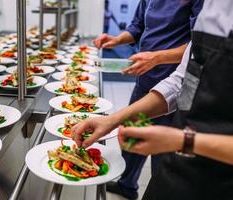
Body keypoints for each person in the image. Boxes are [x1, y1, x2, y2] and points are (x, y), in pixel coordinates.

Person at [72, 0, 233, 199]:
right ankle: (127, 184)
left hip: (219, 174)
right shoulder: (212, 7)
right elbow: (183, 79)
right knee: (138, 146)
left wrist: (181, 141)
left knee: (158, 155)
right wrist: (111, 120)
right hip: (179, 153)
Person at [93, 0, 203, 199]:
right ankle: (126, 184)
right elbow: (137, 27)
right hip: (145, 79)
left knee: (162, 155)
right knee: (133, 135)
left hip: (175, 83)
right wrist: (116, 40)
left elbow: (198, 47)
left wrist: (157, 57)